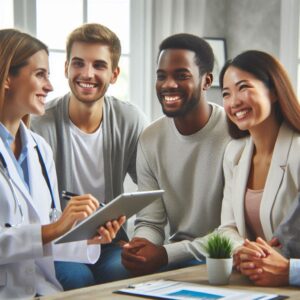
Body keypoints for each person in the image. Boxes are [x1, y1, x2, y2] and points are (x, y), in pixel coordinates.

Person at [0, 28, 125, 299]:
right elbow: (44, 232)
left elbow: (45, 236)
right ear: (8, 76)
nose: (50, 86)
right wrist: (55, 227)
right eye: (39, 74)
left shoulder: (39, 149)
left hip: (43, 291)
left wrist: (88, 237)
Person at [30, 23, 146, 288]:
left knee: (124, 273)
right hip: (59, 243)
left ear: (115, 74)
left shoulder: (130, 120)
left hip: (110, 241)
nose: (87, 74)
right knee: (77, 278)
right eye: (79, 63)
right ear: (66, 68)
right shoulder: (40, 123)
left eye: (99, 66)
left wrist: (142, 236)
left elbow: (148, 184)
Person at [121, 33, 231, 276]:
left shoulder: (234, 134)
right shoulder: (150, 138)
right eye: (162, 76)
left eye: (181, 75)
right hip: (176, 256)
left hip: (224, 257)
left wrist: (165, 254)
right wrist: (141, 245)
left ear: (206, 81)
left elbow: (233, 231)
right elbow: (150, 221)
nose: (168, 84)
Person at [217, 50, 300, 286]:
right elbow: (227, 228)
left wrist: (289, 270)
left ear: (273, 91)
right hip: (253, 281)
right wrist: (246, 252)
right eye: (226, 93)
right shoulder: (235, 153)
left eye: (243, 87)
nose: (234, 102)